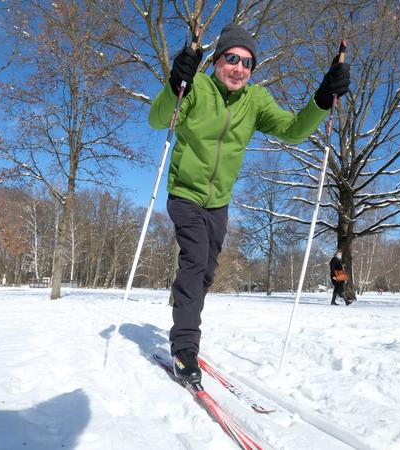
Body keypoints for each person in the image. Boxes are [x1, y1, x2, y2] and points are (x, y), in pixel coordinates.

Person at [149, 23, 350, 384]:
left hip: (219, 202)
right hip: (185, 193)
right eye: (232, 59)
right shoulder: (197, 89)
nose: (239, 68)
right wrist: (175, 83)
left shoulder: (255, 101)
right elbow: (158, 118)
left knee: (206, 271)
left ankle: (184, 308)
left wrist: (322, 99)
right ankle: (184, 348)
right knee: (194, 263)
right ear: (216, 61)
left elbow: (293, 129)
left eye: (247, 63)